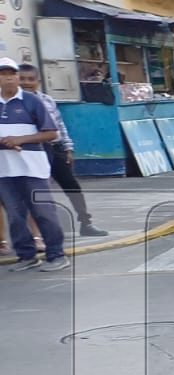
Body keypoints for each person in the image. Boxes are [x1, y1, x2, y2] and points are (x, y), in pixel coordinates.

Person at [16, 63, 104, 238]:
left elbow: (59, 125)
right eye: (22, 79)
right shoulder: (12, 104)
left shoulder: (47, 100)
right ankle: (37, 233)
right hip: (31, 152)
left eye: (31, 79)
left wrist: (68, 148)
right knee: (37, 191)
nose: (26, 83)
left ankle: (86, 223)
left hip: (55, 149)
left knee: (72, 186)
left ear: (38, 82)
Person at [0, 57, 69, 272]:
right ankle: (26, 255)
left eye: (11, 73)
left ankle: (56, 254)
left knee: (43, 212)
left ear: (17, 77)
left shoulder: (32, 101)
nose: (8, 78)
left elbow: (51, 133)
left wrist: (19, 140)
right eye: (3, 74)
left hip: (32, 168)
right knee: (15, 214)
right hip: (4, 170)